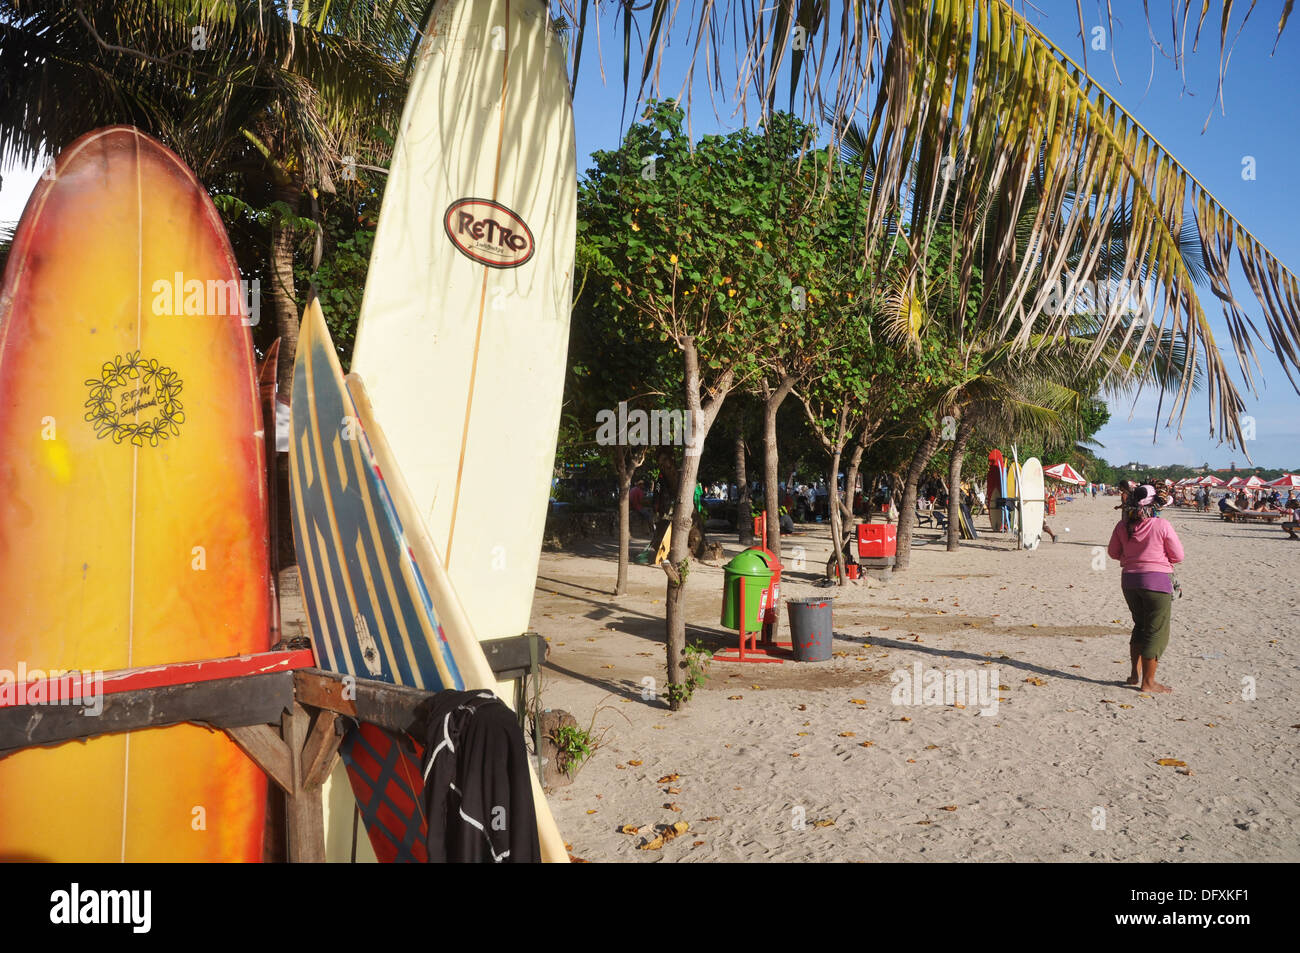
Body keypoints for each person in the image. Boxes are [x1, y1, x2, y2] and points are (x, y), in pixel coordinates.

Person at [1107, 484, 1185, 694]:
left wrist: (1130, 557)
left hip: (1129, 581)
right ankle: (1148, 682)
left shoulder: (1122, 526)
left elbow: (1113, 553)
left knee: (1140, 626)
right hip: (1157, 582)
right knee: (1156, 631)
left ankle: (1134, 674)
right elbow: (1178, 556)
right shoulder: (1161, 525)